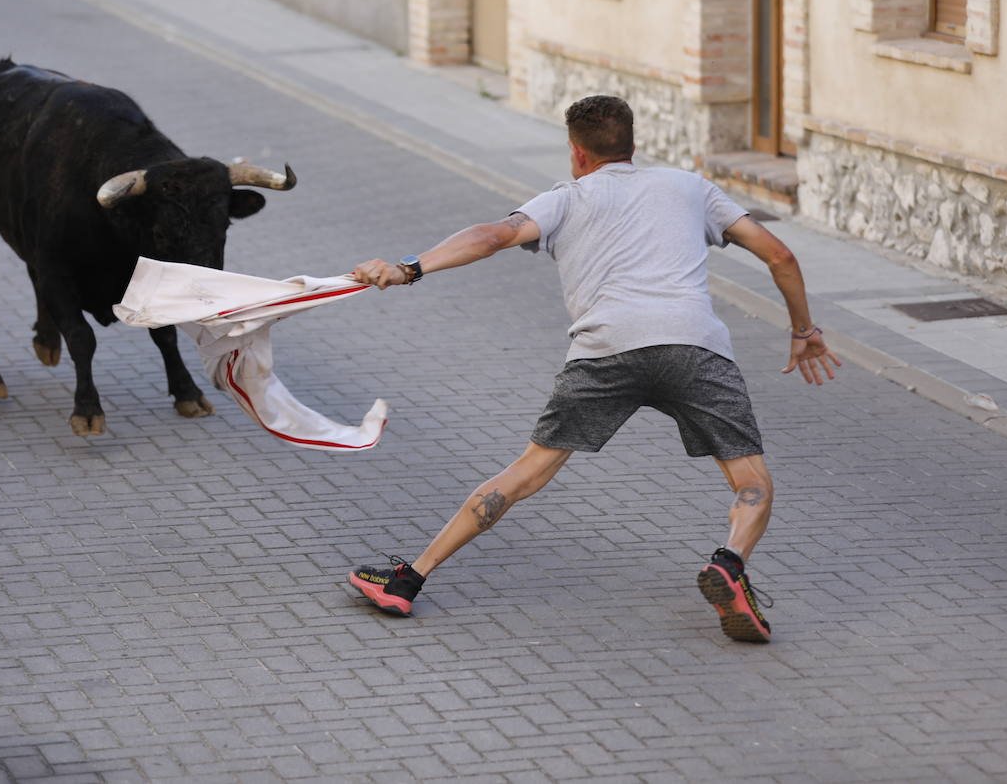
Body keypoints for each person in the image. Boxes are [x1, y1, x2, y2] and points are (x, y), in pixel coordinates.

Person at [345, 95, 840, 643]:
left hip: (605, 351)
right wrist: (804, 332)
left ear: (577, 153)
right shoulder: (690, 188)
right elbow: (780, 257)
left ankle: (409, 579)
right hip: (693, 346)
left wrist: (409, 269)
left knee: (527, 472)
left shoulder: (565, 199)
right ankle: (729, 562)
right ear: (632, 144)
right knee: (752, 482)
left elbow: (492, 236)